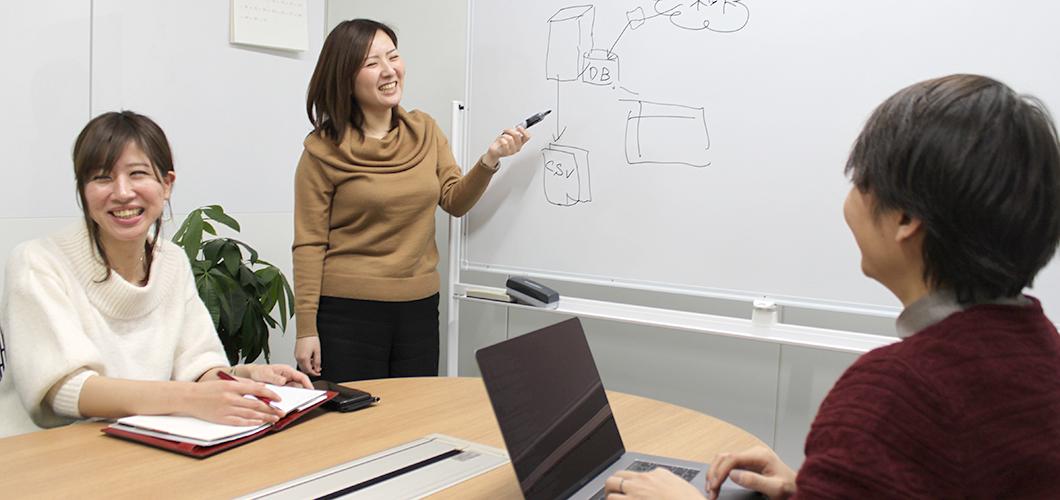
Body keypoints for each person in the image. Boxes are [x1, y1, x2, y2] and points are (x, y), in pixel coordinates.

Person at [603, 74, 1060, 499]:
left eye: (860, 181)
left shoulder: (897, 393)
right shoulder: (1044, 352)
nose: (849, 202)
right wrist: (823, 485)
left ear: (905, 219)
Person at [0, 111, 311, 438]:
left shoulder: (171, 261)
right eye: (102, 178)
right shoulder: (38, 262)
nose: (122, 192)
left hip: (144, 444)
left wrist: (243, 378)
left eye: (138, 173)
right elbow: (65, 390)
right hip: (45, 451)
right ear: (83, 190)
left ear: (166, 184)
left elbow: (197, 367)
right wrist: (191, 398)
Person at [293, 19, 530, 381]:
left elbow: (454, 200)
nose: (389, 70)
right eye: (372, 63)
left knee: (415, 414)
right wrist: (306, 328)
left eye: (393, 57)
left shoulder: (425, 131)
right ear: (345, 77)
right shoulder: (322, 151)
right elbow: (309, 243)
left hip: (418, 310)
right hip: (346, 313)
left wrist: (490, 159)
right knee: (354, 417)